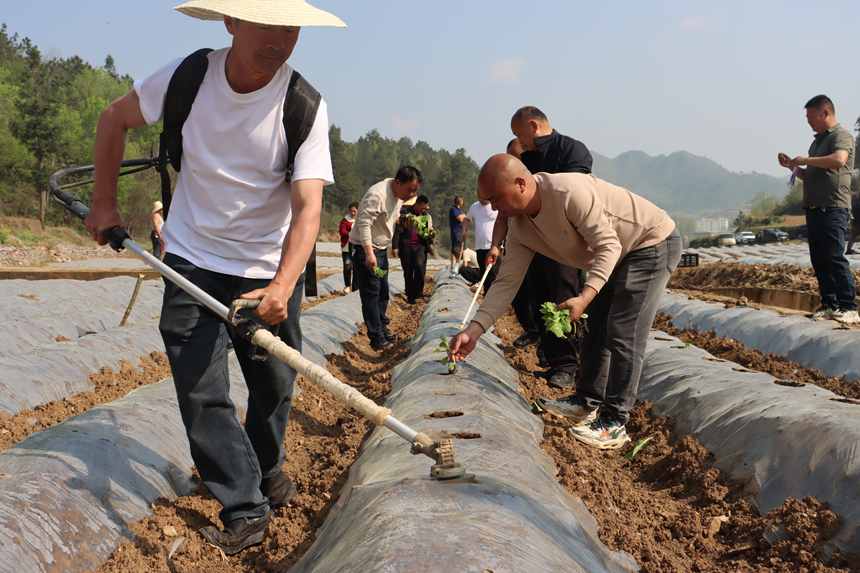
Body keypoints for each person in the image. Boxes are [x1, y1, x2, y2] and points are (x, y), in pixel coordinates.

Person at [83, 0, 344, 554]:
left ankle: (266, 465)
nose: (280, 41)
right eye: (266, 26)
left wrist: (280, 288)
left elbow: (308, 211)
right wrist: (103, 200)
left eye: (290, 29)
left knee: (273, 384)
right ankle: (245, 505)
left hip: (266, 271)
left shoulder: (303, 105)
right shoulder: (186, 78)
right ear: (231, 22)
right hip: (189, 259)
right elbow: (114, 118)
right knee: (201, 391)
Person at [450, 155, 680, 450]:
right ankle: (587, 402)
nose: (494, 209)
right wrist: (474, 330)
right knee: (595, 329)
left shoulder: (568, 194)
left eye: (495, 199)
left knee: (623, 330)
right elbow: (506, 282)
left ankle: (614, 420)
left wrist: (585, 296)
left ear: (521, 184)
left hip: (649, 242)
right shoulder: (520, 228)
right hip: (616, 254)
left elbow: (609, 245)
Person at [488, 107, 592, 389]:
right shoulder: (527, 160)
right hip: (534, 242)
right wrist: (497, 244)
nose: (520, 143)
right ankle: (550, 357)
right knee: (540, 300)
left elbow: (577, 195)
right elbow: (509, 207)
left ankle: (567, 365)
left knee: (562, 297)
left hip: (563, 243)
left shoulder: (571, 150)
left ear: (533, 126)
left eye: (520, 135)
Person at [778, 95, 858, 324]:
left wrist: (807, 159)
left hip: (832, 208)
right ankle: (830, 304)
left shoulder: (841, 136)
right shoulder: (817, 141)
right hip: (814, 209)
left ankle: (849, 307)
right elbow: (810, 175)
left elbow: (839, 160)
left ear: (825, 113)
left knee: (835, 258)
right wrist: (794, 166)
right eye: (807, 117)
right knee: (820, 259)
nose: (808, 121)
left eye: (811, 116)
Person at [349, 166, 422, 350]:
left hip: (380, 250)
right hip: (366, 249)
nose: (412, 194)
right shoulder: (378, 194)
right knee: (371, 293)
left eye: (415, 191)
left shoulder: (398, 195)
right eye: (410, 190)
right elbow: (364, 224)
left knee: (382, 290)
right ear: (398, 182)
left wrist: (405, 221)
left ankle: (382, 329)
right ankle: (376, 337)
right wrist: (368, 253)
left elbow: (393, 217)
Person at [392, 194, 433, 304]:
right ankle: (410, 296)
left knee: (420, 266)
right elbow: (397, 229)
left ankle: (418, 290)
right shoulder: (405, 213)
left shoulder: (425, 216)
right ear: (416, 205)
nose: (424, 210)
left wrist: (431, 235)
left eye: (425, 208)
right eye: (422, 207)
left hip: (420, 246)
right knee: (408, 271)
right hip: (406, 247)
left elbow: (429, 230)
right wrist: (395, 247)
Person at [461, 196, 499, 294]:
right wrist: (464, 230)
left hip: (494, 246)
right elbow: (467, 219)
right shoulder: (474, 206)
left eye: (483, 197)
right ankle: (487, 296)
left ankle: (494, 297)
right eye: (479, 196)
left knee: (493, 273)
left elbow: (504, 220)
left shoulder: (495, 205)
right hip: (480, 247)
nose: (481, 199)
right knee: (483, 273)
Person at [339, 201, 359, 293]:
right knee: (347, 265)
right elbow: (342, 231)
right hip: (346, 247)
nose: (353, 213)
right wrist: (352, 234)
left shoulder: (360, 220)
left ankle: (355, 287)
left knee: (356, 267)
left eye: (354, 211)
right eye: (351, 211)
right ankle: (347, 285)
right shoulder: (345, 220)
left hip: (357, 247)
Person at [449, 196, 466, 268]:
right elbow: (460, 219)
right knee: (455, 249)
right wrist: (463, 215)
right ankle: (453, 265)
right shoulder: (453, 209)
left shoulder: (459, 210)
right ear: (460, 202)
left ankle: (457, 264)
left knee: (460, 248)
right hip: (456, 232)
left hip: (460, 231)